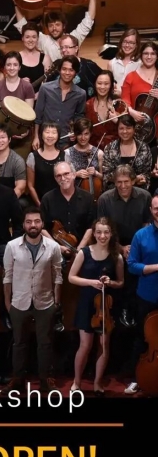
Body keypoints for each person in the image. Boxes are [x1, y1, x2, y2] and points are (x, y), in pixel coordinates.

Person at [3, 207, 63, 391]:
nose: (33, 225)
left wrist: (56, 302)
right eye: (29, 222)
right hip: (19, 301)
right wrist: (7, 302)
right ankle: (17, 379)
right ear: (23, 225)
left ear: (42, 224)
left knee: (45, 343)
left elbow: (58, 276)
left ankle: (46, 379)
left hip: (45, 302)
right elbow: (7, 276)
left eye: (37, 221)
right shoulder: (12, 246)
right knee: (19, 343)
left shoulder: (53, 247)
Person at [68, 218, 124, 393]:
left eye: (106, 232)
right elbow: (71, 277)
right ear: (93, 233)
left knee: (104, 345)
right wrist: (91, 282)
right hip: (87, 304)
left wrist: (111, 282)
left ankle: (97, 383)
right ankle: (77, 382)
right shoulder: (84, 253)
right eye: (99, 232)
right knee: (85, 345)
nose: (102, 236)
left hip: (106, 306)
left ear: (111, 234)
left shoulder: (117, 256)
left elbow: (121, 282)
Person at [98, 165, 151, 327]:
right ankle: (117, 312)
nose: (122, 186)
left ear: (133, 181)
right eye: (119, 182)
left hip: (138, 245)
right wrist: (120, 248)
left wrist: (135, 249)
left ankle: (135, 311)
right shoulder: (105, 199)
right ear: (114, 182)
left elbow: (146, 225)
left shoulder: (145, 196)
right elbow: (102, 230)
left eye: (126, 181)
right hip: (112, 244)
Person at [12, 0, 98, 62]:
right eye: (50, 25)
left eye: (57, 25)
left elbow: (89, 18)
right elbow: (23, 26)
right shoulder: (44, 41)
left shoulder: (73, 38)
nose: (54, 28)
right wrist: (16, 2)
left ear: (64, 26)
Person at [125, 194, 158, 394]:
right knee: (141, 338)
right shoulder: (141, 235)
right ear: (151, 211)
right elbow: (132, 265)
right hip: (147, 295)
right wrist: (155, 267)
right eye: (156, 208)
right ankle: (137, 377)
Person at [40, 161, 95, 259]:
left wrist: (80, 249)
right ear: (55, 178)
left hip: (82, 249)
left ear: (74, 175)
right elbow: (42, 228)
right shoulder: (47, 199)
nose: (63, 178)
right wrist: (57, 247)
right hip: (54, 250)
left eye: (66, 174)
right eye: (59, 176)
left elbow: (90, 226)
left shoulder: (88, 198)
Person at [33, 55, 86, 148]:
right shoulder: (45, 88)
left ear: (76, 72)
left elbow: (79, 116)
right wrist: (36, 137)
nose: (67, 73)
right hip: (45, 139)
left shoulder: (81, 94)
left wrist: (75, 131)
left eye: (71, 70)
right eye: (64, 69)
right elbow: (38, 115)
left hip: (65, 140)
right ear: (59, 70)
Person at [0, 51, 35, 131]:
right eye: (8, 65)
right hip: (0, 130)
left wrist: (24, 132)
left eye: (15, 65)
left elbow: (28, 116)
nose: (12, 68)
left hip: (20, 131)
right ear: (4, 67)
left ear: (19, 67)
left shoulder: (27, 86)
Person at [102, 114, 152, 190]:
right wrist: (132, 179)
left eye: (128, 128)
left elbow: (147, 173)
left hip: (138, 190)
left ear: (134, 129)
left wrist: (142, 179)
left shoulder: (144, 147)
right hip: (115, 190)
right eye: (121, 128)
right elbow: (107, 175)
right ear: (117, 130)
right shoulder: (109, 148)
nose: (125, 131)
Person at [122, 41, 158, 141]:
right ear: (141, 55)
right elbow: (124, 100)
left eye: (153, 54)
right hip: (137, 126)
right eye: (146, 53)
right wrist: (131, 111)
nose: (149, 57)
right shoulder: (131, 76)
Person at [64, 118, 104, 199]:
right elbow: (63, 178)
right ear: (75, 134)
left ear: (90, 134)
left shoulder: (99, 153)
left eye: (86, 134)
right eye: (79, 134)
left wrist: (95, 173)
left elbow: (104, 178)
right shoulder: (67, 153)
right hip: (74, 196)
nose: (83, 138)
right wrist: (76, 174)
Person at [27, 121, 65, 207]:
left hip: (60, 202)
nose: (50, 135)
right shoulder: (33, 156)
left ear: (58, 135)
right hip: (38, 202)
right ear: (41, 134)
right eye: (47, 132)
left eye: (54, 132)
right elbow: (30, 186)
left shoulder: (65, 155)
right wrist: (40, 205)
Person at [83, 71, 120, 150]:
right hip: (92, 151)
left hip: (115, 150)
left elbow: (128, 130)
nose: (102, 87)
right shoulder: (88, 105)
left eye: (106, 84)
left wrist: (118, 121)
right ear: (95, 84)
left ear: (111, 85)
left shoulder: (120, 104)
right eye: (99, 83)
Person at [18, 22, 52, 91]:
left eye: (34, 37)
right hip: (19, 95)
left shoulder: (45, 58)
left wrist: (39, 94)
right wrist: (19, 82)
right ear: (22, 38)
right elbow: (9, 81)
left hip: (40, 96)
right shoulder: (16, 57)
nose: (31, 40)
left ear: (37, 38)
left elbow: (48, 83)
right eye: (27, 37)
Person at [108, 28, 141, 97]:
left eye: (131, 43)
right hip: (115, 100)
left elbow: (140, 89)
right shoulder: (112, 63)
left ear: (136, 45)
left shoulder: (141, 64)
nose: (127, 45)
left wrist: (123, 94)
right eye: (125, 42)